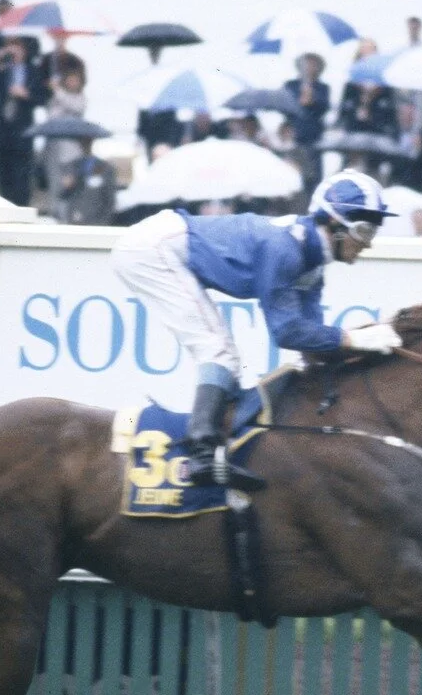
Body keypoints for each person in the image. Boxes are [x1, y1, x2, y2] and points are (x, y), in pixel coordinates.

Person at [110, 170, 402, 492]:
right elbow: (287, 332)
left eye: (373, 232)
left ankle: (216, 447)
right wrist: (353, 338)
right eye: (363, 230)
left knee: (223, 353)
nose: (367, 244)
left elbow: (312, 341)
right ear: (334, 224)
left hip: (163, 241)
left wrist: (354, 347)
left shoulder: (312, 263)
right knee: (217, 351)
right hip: (152, 249)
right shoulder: (285, 249)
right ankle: (202, 454)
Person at [0, 36, 45, 205]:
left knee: (21, 176)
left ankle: (21, 206)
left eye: (17, 46)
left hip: (22, 131)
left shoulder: (33, 71)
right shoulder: (3, 69)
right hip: (2, 131)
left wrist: (25, 94)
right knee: (3, 174)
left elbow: (42, 98)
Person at [42, 66, 89, 206]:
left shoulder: (80, 98)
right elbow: (51, 117)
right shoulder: (56, 99)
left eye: (75, 80)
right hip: (53, 149)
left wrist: (57, 90)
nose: (72, 83)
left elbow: (75, 108)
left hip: (71, 152)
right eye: (69, 80)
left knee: (70, 185)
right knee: (54, 185)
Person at [283, 52, 331, 183]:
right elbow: (285, 107)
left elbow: (324, 107)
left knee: (313, 177)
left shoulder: (322, 88)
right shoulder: (291, 85)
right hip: (294, 137)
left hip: (313, 138)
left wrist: (312, 97)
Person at [53, 139, 117, 225]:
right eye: (82, 141)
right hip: (74, 218)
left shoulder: (105, 167)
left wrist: (103, 221)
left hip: (96, 220)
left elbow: (110, 199)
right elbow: (60, 195)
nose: (84, 145)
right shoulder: (71, 166)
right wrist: (67, 187)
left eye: (88, 141)